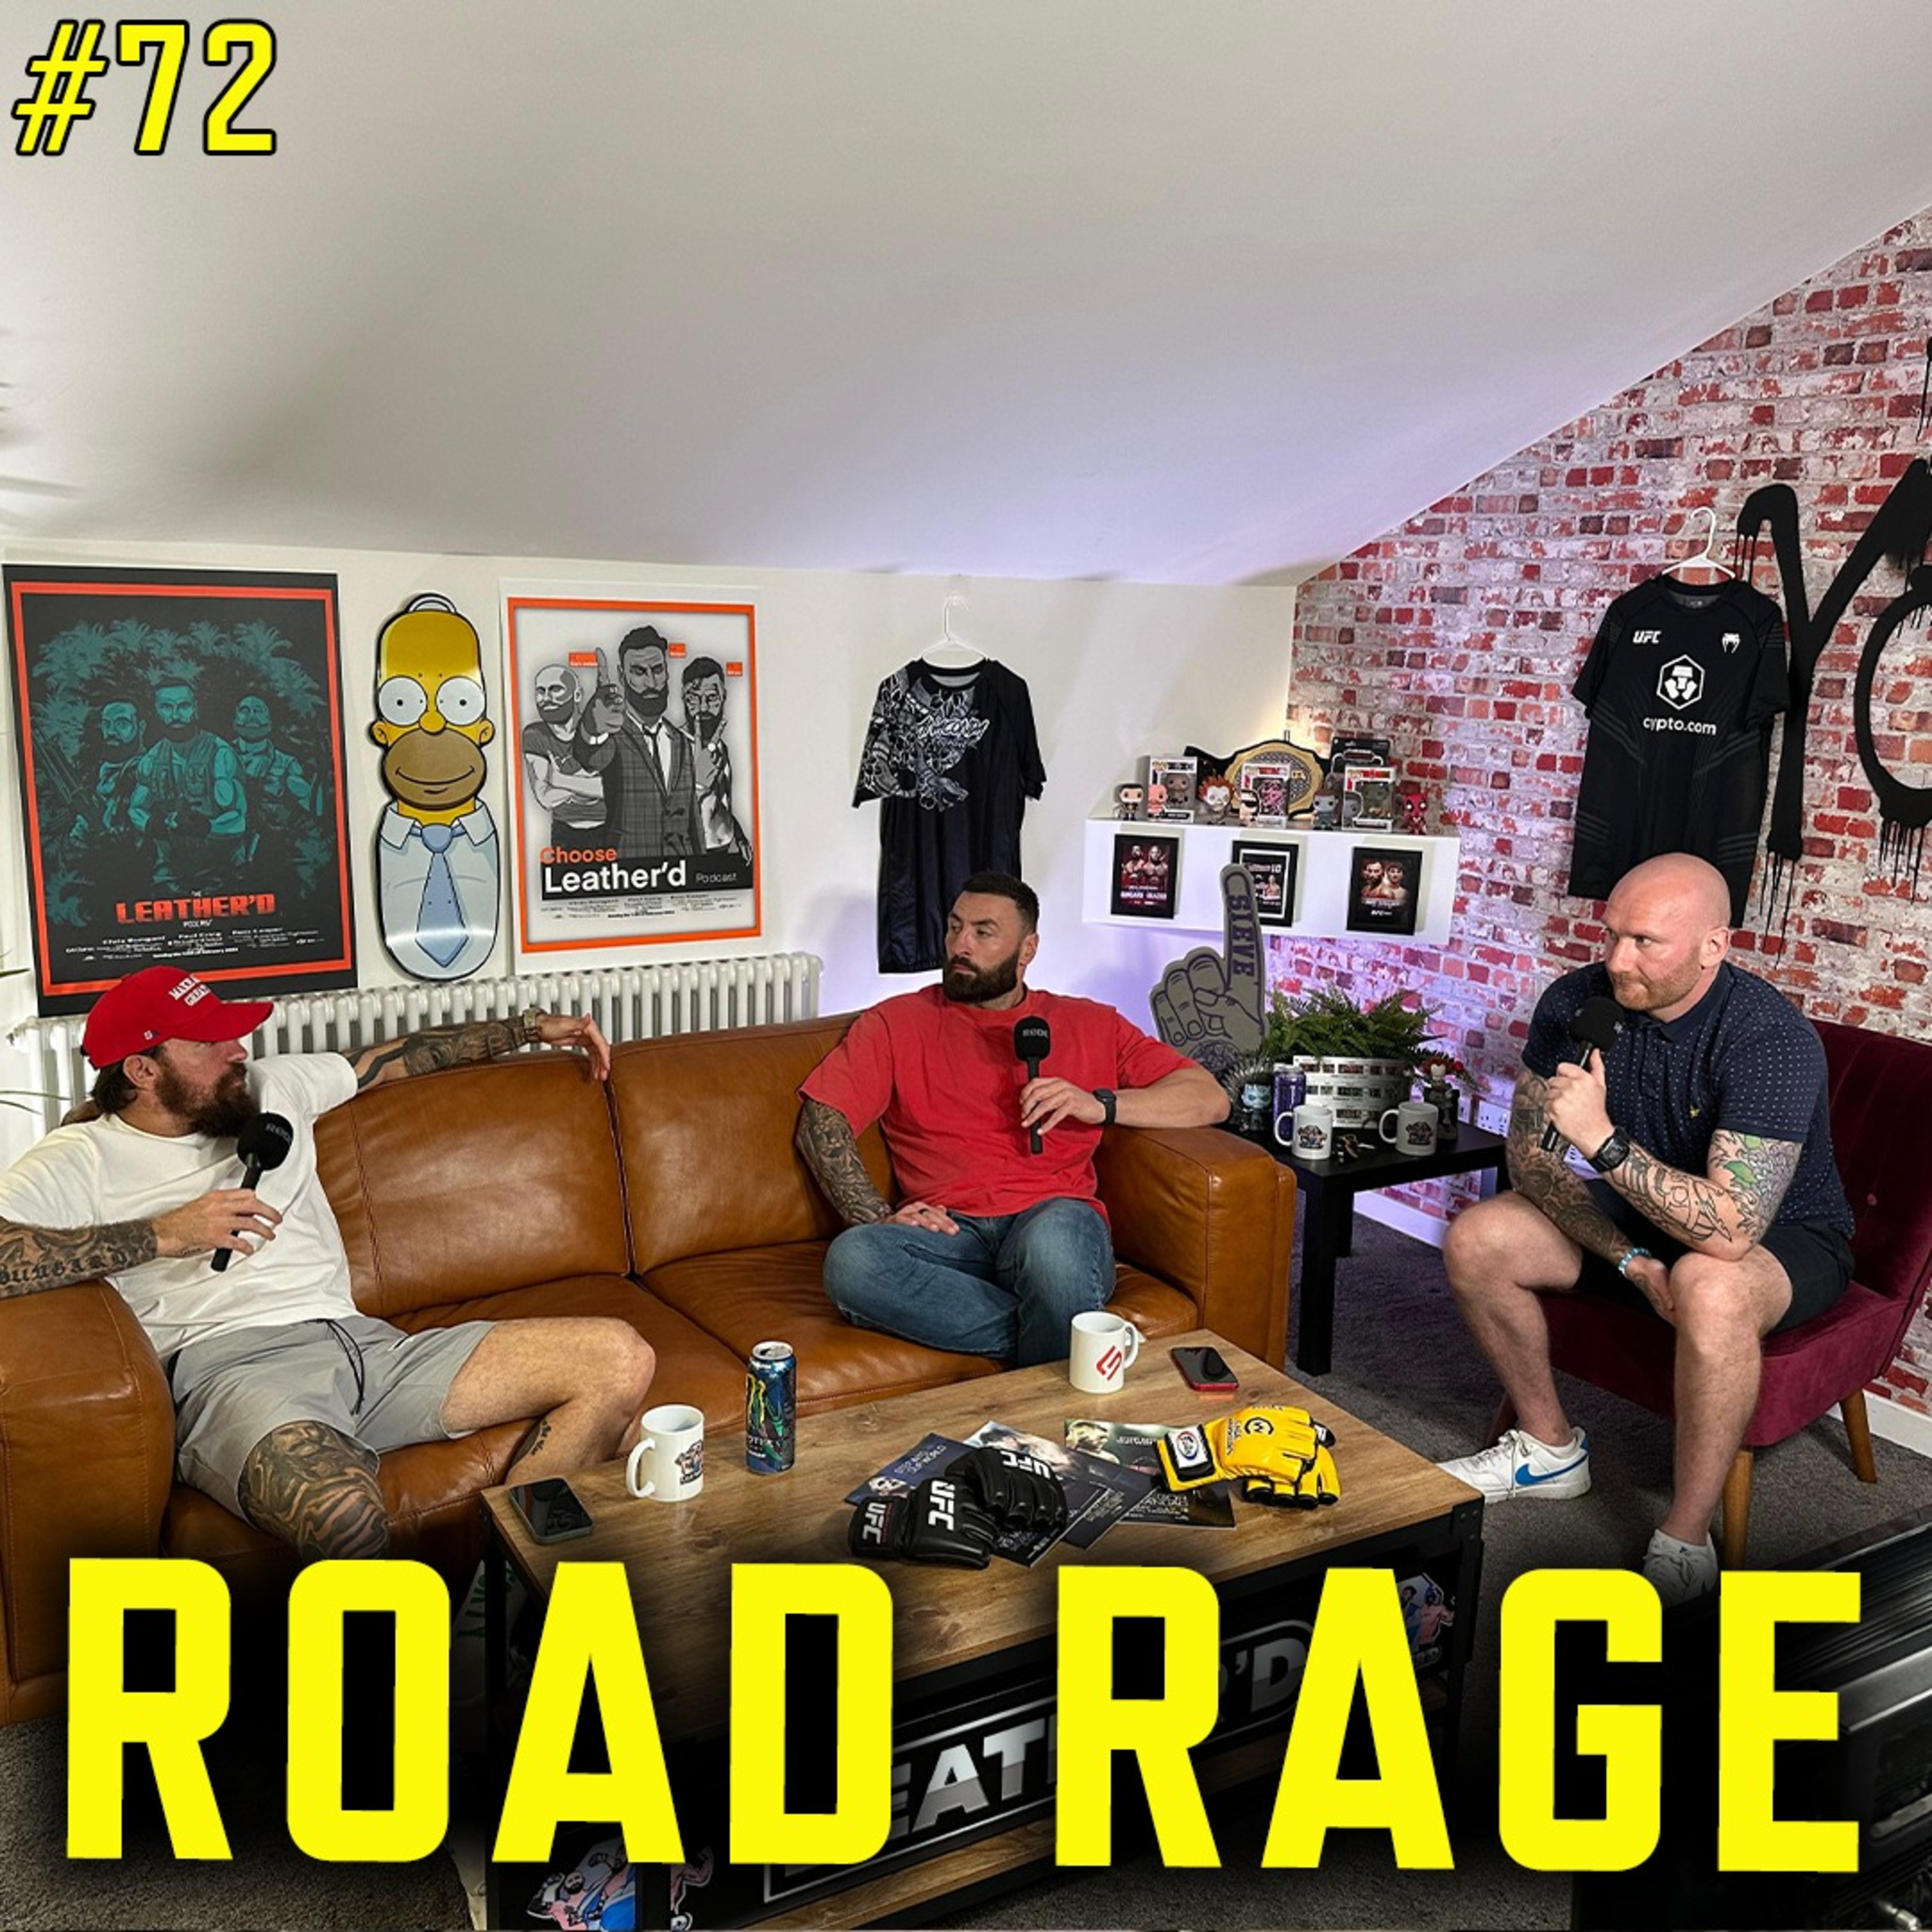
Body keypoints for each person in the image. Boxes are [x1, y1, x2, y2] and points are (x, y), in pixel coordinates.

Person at [0, 966, 654, 1562]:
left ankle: (508, 1586)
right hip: (236, 1371)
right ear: (143, 1071)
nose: (238, 1051)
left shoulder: (273, 1087)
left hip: (371, 1349)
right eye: (209, 1043)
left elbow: (397, 1058)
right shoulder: (80, 1159)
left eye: (232, 1033)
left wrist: (530, 1028)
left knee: (618, 1358)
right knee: (343, 1517)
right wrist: (164, 1234)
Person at [1434, 853, 1855, 1605]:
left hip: (1784, 1233)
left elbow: (1731, 1232)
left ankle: (1686, 1536)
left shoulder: (1770, 1041)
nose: (1617, 960)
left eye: (1644, 943)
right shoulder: (1579, 1002)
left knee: (1710, 1285)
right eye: (1611, 934)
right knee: (1480, 1236)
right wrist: (1630, 1260)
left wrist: (1602, 1141)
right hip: (1647, 1208)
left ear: (1713, 946)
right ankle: (1549, 1449)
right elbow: (1531, 1162)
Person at [795, 872, 1229, 1367]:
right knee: (853, 1261)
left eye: (983, 933)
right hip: (948, 1235)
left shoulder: (1090, 1023)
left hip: (1054, 1221)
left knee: (1054, 1253)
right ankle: (1074, 1345)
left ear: (1028, 950)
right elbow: (822, 1118)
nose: (960, 945)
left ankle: (1055, 1352)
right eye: (955, 927)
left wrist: (1100, 1105)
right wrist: (875, 1214)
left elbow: (1210, 1098)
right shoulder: (896, 1022)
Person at [574, 626, 697, 862]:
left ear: (667, 671)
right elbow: (591, 757)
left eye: (658, 670)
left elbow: (693, 820)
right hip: (631, 871)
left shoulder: (682, 742)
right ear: (622, 677)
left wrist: (701, 869)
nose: (651, 682)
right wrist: (592, 728)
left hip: (681, 872)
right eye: (639, 672)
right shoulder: (613, 735)